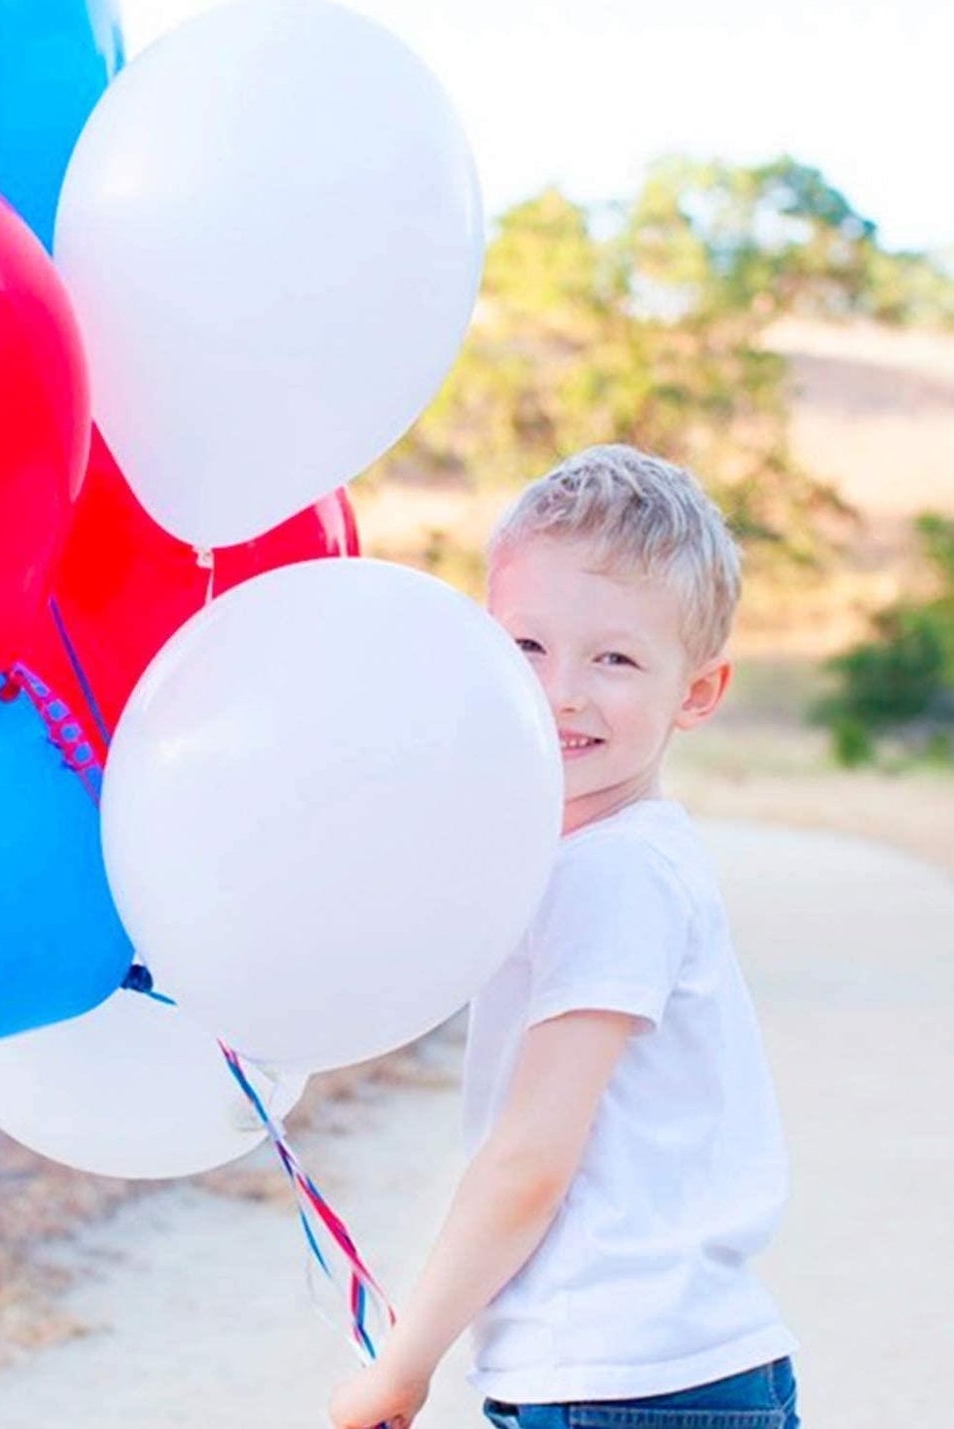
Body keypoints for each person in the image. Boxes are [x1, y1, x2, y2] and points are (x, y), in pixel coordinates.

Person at [329, 445, 799, 1429]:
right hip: (658, 1373)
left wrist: (403, 1362)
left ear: (698, 693)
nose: (561, 691)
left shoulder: (611, 873)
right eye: (527, 645)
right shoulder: (587, 855)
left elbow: (530, 1154)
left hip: (621, 1380)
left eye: (614, 657)